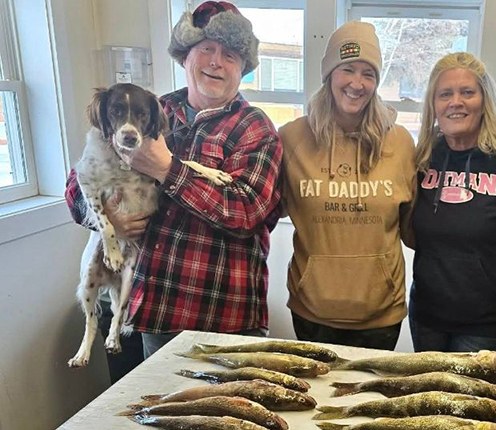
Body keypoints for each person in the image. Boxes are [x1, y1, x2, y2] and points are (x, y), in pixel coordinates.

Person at [66, 1, 283, 359]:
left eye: (230, 54)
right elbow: (78, 183)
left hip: (228, 317)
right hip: (158, 311)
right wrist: (110, 219)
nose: (216, 61)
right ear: (185, 57)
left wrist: (166, 168)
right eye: (206, 49)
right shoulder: (146, 109)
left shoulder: (256, 128)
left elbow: (247, 213)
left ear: (243, 68)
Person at [280, 21, 416, 351]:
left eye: (368, 74)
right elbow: (261, 211)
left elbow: (412, 228)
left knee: (373, 403)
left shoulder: (399, 142)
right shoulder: (292, 139)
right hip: (313, 311)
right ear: (329, 75)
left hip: (380, 315)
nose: (357, 83)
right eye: (348, 70)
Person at [410, 52, 496, 354]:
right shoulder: (424, 157)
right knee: (427, 400)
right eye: (445, 94)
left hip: (486, 324)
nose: (456, 102)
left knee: (471, 401)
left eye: (467, 92)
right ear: (434, 105)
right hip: (427, 315)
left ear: (484, 100)